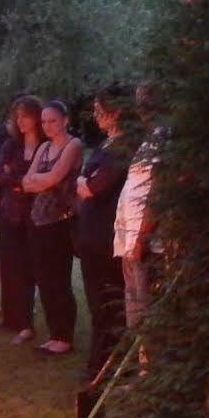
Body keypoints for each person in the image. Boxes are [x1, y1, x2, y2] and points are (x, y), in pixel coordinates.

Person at [74, 88, 131, 381]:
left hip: (104, 235)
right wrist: (84, 182)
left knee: (107, 300)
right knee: (96, 302)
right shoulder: (105, 145)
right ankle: (99, 360)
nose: (96, 117)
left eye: (100, 111)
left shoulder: (122, 148)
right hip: (90, 233)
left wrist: (84, 181)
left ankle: (106, 363)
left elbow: (92, 188)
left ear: (116, 112)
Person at [20, 98, 82, 356]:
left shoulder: (73, 144)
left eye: (52, 120)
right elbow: (26, 182)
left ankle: (64, 335)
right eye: (44, 121)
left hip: (61, 221)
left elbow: (56, 178)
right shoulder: (44, 147)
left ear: (65, 120)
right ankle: (55, 333)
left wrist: (41, 180)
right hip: (39, 220)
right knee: (44, 278)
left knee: (59, 278)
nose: (47, 125)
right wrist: (40, 181)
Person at [0, 95, 42, 340]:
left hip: (35, 216)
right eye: (17, 116)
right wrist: (21, 181)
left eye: (25, 116)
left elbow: (43, 179)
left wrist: (18, 178)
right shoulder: (11, 146)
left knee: (29, 268)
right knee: (9, 266)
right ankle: (12, 317)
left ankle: (26, 320)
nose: (20, 121)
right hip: (9, 213)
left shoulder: (45, 146)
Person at [114, 119, 162, 361]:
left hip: (142, 244)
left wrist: (141, 239)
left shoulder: (164, 139)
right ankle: (143, 372)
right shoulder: (149, 139)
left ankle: (150, 370)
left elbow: (156, 194)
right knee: (134, 313)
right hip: (128, 242)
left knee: (145, 313)